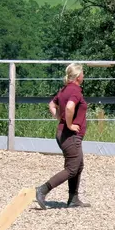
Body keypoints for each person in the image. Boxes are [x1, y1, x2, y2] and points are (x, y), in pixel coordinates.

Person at [36, 63, 90, 209]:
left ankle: (73, 198)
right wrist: (70, 124)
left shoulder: (64, 90)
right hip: (70, 135)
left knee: (78, 165)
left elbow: (51, 105)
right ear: (78, 76)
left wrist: (60, 118)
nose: (83, 76)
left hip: (64, 134)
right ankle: (43, 190)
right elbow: (69, 107)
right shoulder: (75, 90)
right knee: (72, 168)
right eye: (83, 73)